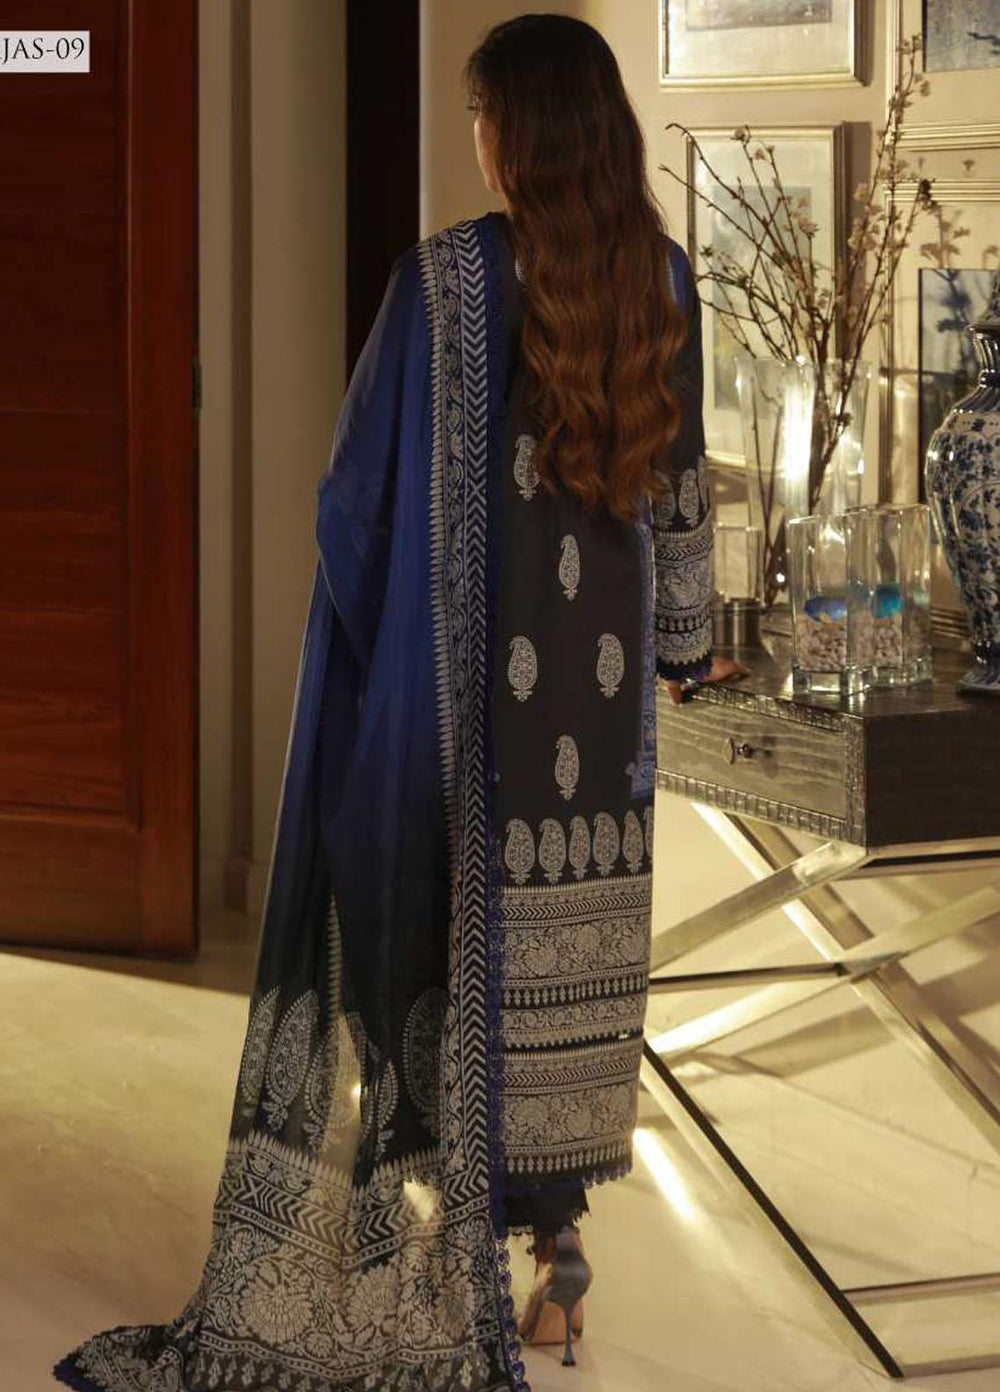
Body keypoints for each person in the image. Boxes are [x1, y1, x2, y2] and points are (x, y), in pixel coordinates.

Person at [52, 13, 745, 1392]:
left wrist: (367, 659)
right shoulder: (662, 278)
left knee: (433, 957)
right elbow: (682, 497)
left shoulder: (442, 285)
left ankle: (442, 1249)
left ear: (516, 131)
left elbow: (354, 501)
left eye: (483, 116)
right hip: (597, 734)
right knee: (556, 992)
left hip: (459, 720)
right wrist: (681, 650)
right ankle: (561, 1265)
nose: (474, 141)